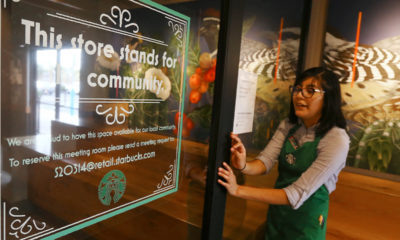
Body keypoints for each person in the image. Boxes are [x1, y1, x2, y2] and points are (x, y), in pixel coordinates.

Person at [218, 67, 350, 239]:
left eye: (310, 91)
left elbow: (296, 194)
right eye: (298, 89)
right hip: (277, 217)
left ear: (328, 98)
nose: (300, 95)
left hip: (305, 226)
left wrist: (238, 190)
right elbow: (265, 162)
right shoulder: (289, 125)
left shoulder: (336, 140)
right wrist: (243, 164)